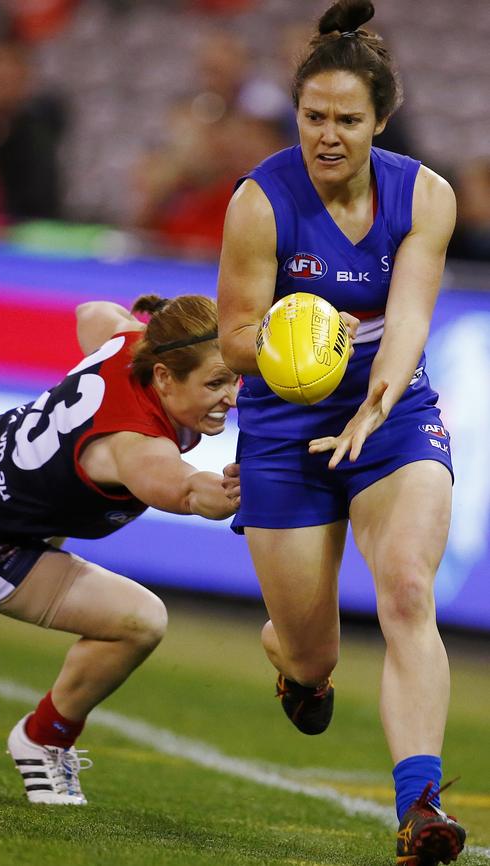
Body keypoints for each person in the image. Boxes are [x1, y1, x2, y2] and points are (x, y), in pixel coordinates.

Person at [216, 2, 465, 864]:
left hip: (390, 418)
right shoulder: (260, 201)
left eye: (347, 121)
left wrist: (375, 401)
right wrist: (286, 355)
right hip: (286, 427)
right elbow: (235, 338)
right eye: (313, 117)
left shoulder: (424, 195)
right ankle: (293, 663)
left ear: (381, 121)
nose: (328, 136)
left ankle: (421, 806)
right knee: (315, 655)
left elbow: (408, 321)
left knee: (405, 591)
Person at [0, 294, 240, 806]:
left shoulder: (129, 342)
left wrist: (149, 325)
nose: (232, 397)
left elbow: (91, 312)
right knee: (140, 621)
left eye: (234, 378)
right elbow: (195, 492)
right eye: (216, 383)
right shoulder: (137, 447)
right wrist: (254, 484)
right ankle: (44, 739)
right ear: (165, 378)